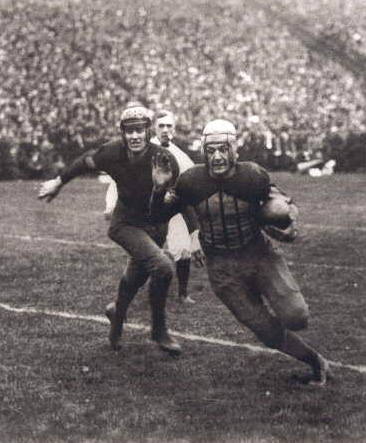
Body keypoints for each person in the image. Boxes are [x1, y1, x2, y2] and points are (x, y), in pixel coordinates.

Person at [150, 119, 330, 386]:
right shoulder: (191, 181)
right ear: (203, 151)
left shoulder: (252, 176)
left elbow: (282, 207)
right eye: (211, 150)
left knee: (296, 317)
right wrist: (159, 188)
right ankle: (316, 362)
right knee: (266, 331)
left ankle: (305, 344)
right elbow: (157, 216)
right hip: (222, 268)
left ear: (235, 150)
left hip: (259, 255)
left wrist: (285, 220)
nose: (218, 156)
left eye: (223, 149)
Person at [38, 105, 201, 356]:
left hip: (155, 226)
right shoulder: (113, 151)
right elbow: (85, 162)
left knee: (135, 278)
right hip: (125, 224)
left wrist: (192, 232)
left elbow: (177, 202)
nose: (134, 136)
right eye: (129, 131)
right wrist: (59, 182)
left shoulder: (164, 160)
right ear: (123, 133)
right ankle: (159, 330)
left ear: (149, 132)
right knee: (164, 267)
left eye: (140, 130)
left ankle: (116, 314)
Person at [104, 109, 198, 304]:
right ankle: (129, 293)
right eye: (161, 126)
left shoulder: (181, 156)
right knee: (146, 256)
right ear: (153, 128)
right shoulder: (141, 150)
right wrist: (110, 204)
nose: (165, 130)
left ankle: (182, 293)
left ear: (175, 128)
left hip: (171, 210)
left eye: (169, 126)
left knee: (183, 249)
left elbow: (189, 187)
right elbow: (117, 181)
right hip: (144, 213)